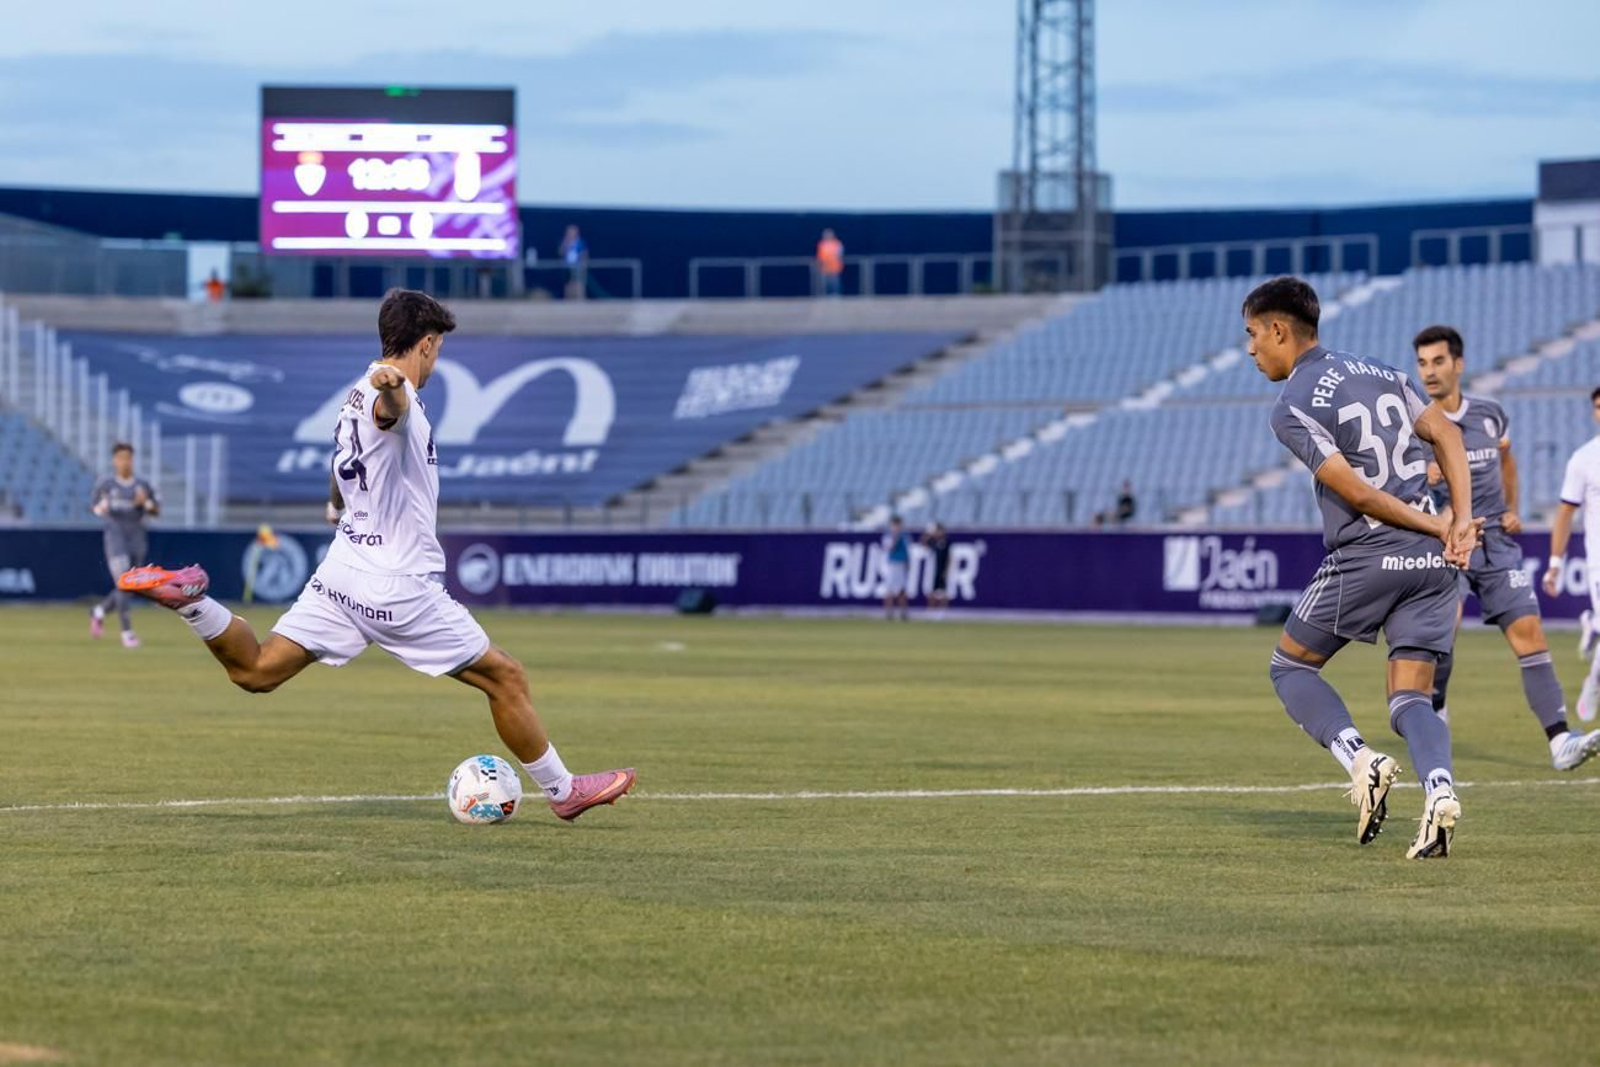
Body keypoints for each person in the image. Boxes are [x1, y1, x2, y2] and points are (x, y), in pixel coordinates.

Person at [118, 288, 634, 822]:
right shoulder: (391, 392)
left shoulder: (350, 397)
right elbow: (394, 412)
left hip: (343, 571)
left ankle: (193, 603)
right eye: (438, 351)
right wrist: (393, 389)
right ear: (427, 344)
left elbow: (345, 461)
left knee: (257, 670)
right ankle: (562, 790)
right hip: (396, 583)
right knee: (504, 677)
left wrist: (334, 501)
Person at [1246, 276, 1479, 859]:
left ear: (1279, 330)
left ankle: (1360, 759)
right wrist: (1459, 520)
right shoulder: (1381, 371)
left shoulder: (1292, 405)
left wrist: (1438, 524)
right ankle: (1441, 790)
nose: (1251, 349)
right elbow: (1447, 432)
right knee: (1410, 700)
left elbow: (1362, 495)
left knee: (1289, 668)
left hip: (1371, 554)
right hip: (1432, 564)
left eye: (1252, 335)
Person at [1414, 325, 1599, 769]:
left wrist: (1512, 508)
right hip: (1447, 545)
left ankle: (1559, 743)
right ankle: (1436, 703)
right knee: (1444, 632)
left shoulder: (1491, 415)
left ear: (1458, 364)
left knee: (1530, 632)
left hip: (1495, 542)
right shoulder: (1415, 423)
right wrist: (1424, 474)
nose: (1429, 372)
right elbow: (1395, 485)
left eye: (1438, 361)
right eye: (1422, 363)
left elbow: (1507, 459)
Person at [1543, 385, 1600, 722]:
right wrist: (1554, 564)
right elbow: (1565, 514)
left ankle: (1593, 631)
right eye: (1597, 407)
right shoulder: (1583, 459)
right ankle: (1593, 681)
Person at [89, 442, 159, 648]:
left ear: (132, 459)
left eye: (127, 458)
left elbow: (156, 509)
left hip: (137, 539)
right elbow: (94, 506)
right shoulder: (106, 484)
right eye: (120, 458)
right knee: (124, 583)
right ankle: (127, 633)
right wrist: (100, 508)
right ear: (114, 460)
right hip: (115, 539)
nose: (124, 462)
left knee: (132, 587)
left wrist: (145, 503)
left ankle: (99, 611)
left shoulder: (142, 485)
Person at [881, 516, 910, 621]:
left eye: (898, 525)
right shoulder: (889, 536)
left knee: (902, 589)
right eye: (895, 524)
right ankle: (889, 613)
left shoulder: (905, 536)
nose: (897, 527)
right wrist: (894, 536)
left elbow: (907, 550)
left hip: (901, 564)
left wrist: (907, 563)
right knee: (889, 589)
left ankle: (903, 613)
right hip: (892, 564)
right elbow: (889, 548)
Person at [921, 523, 952, 618]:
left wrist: (946, 571)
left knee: (942, 592)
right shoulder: (932, 541)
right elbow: (923, 544)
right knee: (931, 592)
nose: (939, 532)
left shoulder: (946, 543)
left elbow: (948, 558)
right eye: (937, 530)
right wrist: (928, 533)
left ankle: (943, 612)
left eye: (940, 530)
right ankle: (931, 611)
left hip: (941, 570)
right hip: (932, 570)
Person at [559, 225, 588, 300]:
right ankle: (568, 299)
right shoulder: (565, 242)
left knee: (578, 283)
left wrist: (583, 264)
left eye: (572, 232)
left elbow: (584, 254)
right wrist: (565, 244)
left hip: (577, 266)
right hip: (567, 266)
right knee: (568, 283)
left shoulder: (580, 242)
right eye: (569, 232)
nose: (570, 234)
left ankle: (579, 298)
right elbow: (561, 252)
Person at [816, 229, 844, 297]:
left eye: (829, 234)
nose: (827, 236)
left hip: (834, 267)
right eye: (826, 234)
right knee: (825, 283)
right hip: (824, 267)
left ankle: (836, 295)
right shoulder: (822, 244)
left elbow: (840, 254)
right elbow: (819, 255)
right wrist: (820, 264)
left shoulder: (837, 243)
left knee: (835, 283)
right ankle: (824, 295)